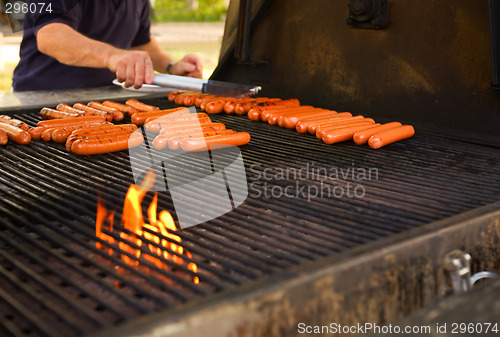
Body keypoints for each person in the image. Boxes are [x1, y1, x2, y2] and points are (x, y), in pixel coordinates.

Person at [12, 0, 202, 91]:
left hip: (103, 103)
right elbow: (50, 36)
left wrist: (172, 66)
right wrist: (112, 56)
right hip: (38, 99)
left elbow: (141, 43)